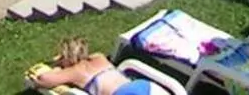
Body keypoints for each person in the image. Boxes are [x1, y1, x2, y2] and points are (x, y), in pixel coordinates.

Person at [28, 38, 159, 95]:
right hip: (143, 85)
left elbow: (43, 79)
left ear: (66, 57)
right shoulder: (98, 57)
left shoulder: (74, 71)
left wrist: (57, 67)